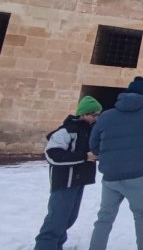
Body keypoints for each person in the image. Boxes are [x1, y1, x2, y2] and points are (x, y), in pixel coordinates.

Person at [88, 76, 143, 250]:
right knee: (142, 214)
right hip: (139, 175)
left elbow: (94, 146)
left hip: (111, 176)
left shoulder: (106, 116)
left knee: (104, 217)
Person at [34, 96, 102, 250]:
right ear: (83, 114)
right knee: (56, 220)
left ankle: (56, 246)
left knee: (69, 218)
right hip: (65, 181)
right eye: (93, 115)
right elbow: (53, 155)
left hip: (79, 180)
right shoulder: (66, 131)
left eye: (98, 115)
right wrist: (85, 156)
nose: (96, 118)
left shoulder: (90, 131)